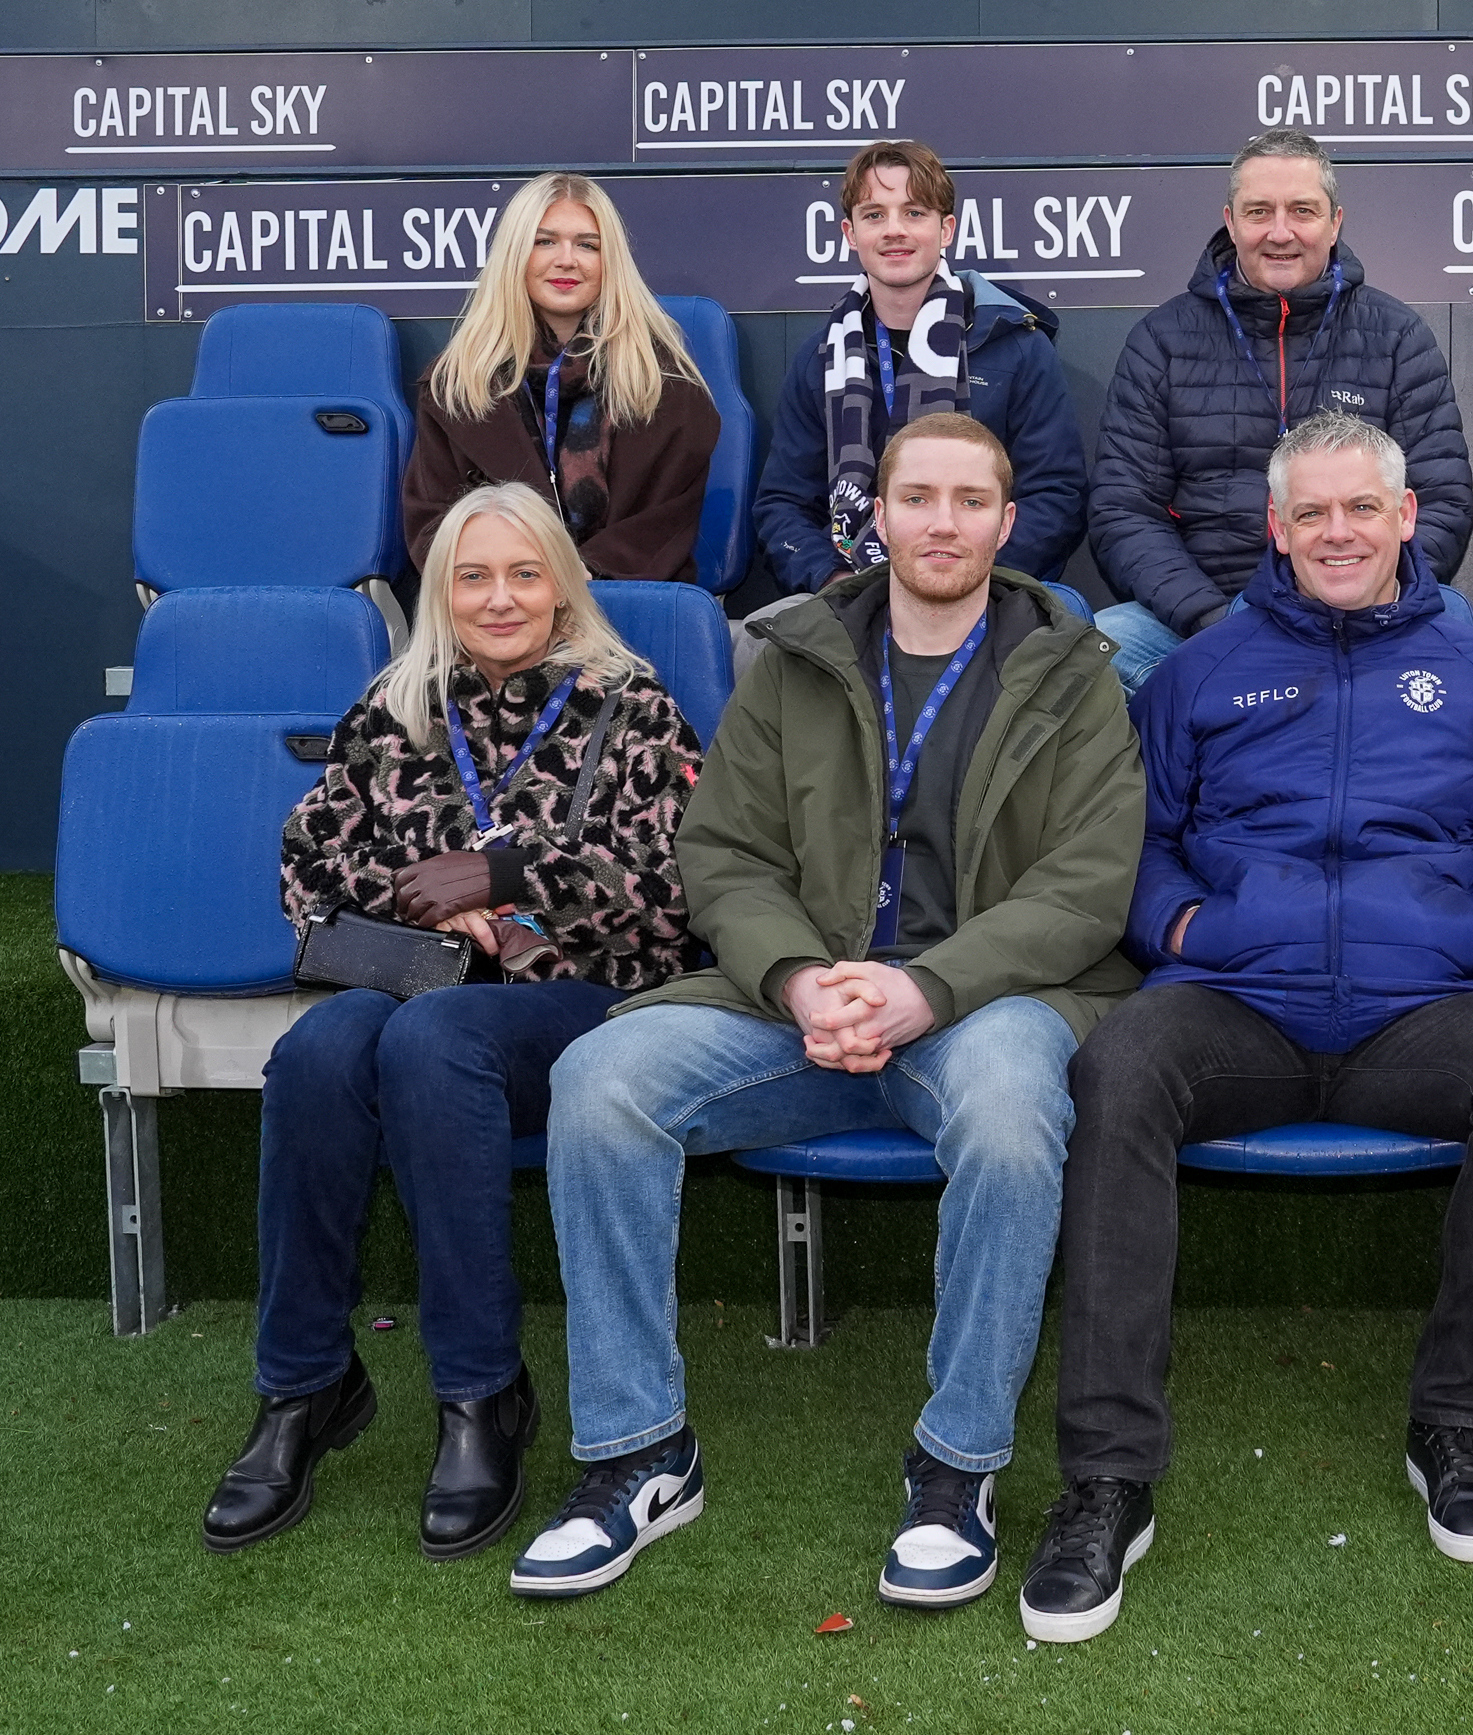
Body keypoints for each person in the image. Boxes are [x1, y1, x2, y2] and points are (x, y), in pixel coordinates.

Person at [514, 412, 1143, 1605]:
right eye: (919, 497)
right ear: (880, 515)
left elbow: (1088, 883)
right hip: (799, 998)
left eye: (970, 500)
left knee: (1015, 1117)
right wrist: (804, 978)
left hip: (987, 1000)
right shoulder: (792, 656)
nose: (943, 521)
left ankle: (957, 1467)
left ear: (1008, 523)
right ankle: (640, 1450)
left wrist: (924, 986)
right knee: (599, 1083)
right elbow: (726, 853)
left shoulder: (1072, 667)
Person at [1025, 411, 1473, 1643]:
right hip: (1239, 1007)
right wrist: (1180, 933)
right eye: (1311, 513)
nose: (1338, 532)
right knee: (1117, 1067)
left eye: (1360, 509)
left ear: (1405, 518)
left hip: (1422, 1011)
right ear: (1276, 530)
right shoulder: (1200, 669)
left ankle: (1456, 1420)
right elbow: (1136, 839)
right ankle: (1106, 1476)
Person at [205, 483, 701, 1561]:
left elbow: (683, 891)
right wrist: (428, 890)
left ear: (563, 582)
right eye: (474, 575)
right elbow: (309, 860)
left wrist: (517, 870)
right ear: (442, 590)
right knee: (319, 1048)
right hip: (423, 987)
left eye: (525, 572)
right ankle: (303, 1382)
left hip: (583, 1000)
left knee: (436, 1041)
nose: (501, 596)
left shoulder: (634, 704)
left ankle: (483, 1390)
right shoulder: (398, 704)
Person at [1088, 127, 1473, 692]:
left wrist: (1359, 598)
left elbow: (1442, 501)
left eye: (1302, 211)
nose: (1280, 232)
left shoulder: (1397, 336)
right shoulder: (1161, 340)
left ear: (1335, 222)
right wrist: (1210, 619)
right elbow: (1123, 510)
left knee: (1454, 617)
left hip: (1366, 611)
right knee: (1102, 642)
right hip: (1208, 617)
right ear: (1230, 220)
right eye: (1258, 211)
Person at [752, 138, 1087, 594]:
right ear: (851, 234)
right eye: (874, 214)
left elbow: (1056, 497)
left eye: (914, 213)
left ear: (946, 230)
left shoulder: (1018, 348)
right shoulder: (821, 358)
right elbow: (783, 505)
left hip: (984, 592)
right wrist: (837, 584)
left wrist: (962, 584)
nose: (894, 230)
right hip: (848, 597)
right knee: (760, 644)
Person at [404, 173, 725, 582]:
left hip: (623, 601)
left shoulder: (665, 384)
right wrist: (519, 578)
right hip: (497, 603)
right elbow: (433, 524)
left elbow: (663, 525)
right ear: (515, 255)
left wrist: (580, 574)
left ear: (610, 262)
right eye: (545, 241)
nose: (567, 259)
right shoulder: (455, 386)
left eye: (588, 245)